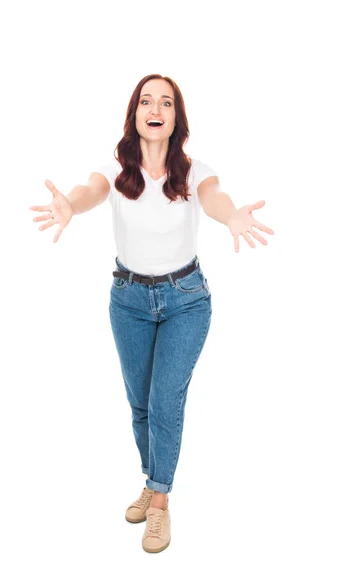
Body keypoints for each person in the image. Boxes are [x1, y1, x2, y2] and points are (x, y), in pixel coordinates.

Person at [29, 74, 274, 554]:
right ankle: (152, 478)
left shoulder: (196, 171)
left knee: (165, 403)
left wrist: (232, 217)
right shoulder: (116, 170)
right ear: (135, 114)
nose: (155, 107)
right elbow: (89, 191)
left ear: (176, 117)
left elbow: (216, 199)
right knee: (139, 405)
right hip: (129, 301)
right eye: (146, 100)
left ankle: (159, 502)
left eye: (165, 101)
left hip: (186, 300)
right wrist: (69, 208)